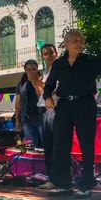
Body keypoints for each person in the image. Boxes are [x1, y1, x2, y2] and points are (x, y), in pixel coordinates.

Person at [43, 29, 101, 198]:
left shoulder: (91, 60)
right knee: (60, 145)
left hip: (85, 103)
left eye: (81, 40)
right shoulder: (59, 63)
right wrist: (47, 97)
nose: (80, 43)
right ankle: (63, 184)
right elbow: (50, 84)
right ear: (66, 43)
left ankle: (86, 185)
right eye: (75, 40)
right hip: (65, 104)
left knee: (87, 145)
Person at [37, 43, 59, 188]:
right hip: (45, 110)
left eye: (51, 53)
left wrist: (36, 82)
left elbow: (53, 90)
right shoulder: (47, 71)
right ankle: (53, 177)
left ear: (56, 53)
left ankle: (56, 179)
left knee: (53, 147)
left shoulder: (58, 70)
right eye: (45, 53)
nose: (49, 56)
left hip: (53, 110)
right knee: (48, 146)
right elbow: (43, 95)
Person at [14, 60, 44, 147]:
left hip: (41, 118)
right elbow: (17, 104)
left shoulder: (41, 81)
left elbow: (42, 95)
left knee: (45, 144)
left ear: (37, 69)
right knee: (31, 145)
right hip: (26, 120)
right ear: (25, 70)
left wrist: (36, 82)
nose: (31, 71)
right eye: (29, 69)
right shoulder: (21, 84)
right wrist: (17, 120)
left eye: (34, 69)